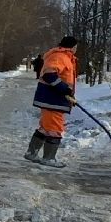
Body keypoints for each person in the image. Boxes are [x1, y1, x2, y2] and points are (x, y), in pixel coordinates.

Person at [27, 36, 79, 168]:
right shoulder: (60, 57)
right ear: (71, 46)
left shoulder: (65, 57)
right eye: (76, 46)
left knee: (45, 128)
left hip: (55, 99)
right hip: (52, 100)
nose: (76, 49)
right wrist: (64, 90)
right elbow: (49, 75)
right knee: (54, 129)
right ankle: (49, 158)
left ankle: (32, 153)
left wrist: (68, 94)